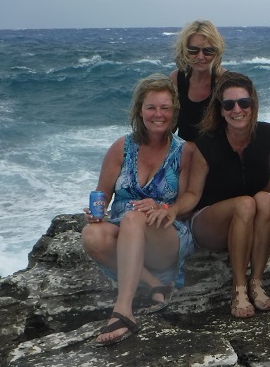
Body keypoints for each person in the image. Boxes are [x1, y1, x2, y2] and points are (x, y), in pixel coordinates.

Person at [149, 71, 270, 319]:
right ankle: (238, 289)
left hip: (247, 217)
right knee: (245, 203)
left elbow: (265, 182)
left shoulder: (269, 135)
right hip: (208, 222)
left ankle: (257, 282)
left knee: (265, 199)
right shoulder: (206, 143)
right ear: (220, 109)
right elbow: (193, 193)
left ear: (253, 105)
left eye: (244, 102)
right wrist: (172, 209)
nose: (237, 110)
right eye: (228, 105)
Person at [81, 73, 195, 346]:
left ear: (174, 112)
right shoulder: (122, 147)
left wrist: (162, 206)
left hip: (165, 236)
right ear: (140, 111)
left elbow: (187, 205)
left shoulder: (184, 151)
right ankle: (155, 283)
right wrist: (95, 213)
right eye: (151, 107)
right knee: (91, 235)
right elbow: (102, 195)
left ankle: (123, 310)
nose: (158, 114)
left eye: (165, 108)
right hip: (126, 233)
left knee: (133, 219)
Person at [171, 19, 226, 141]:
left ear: (216, 52)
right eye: (193, 50)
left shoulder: (225, 81)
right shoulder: (177, 79)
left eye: (208, 51)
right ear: (185, 51)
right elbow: (171, 124)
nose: (200, 57)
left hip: (216, 152)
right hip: (184, 150)